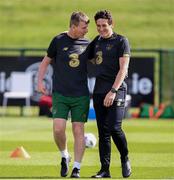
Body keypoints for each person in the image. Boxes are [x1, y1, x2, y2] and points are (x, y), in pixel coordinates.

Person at [37, 12, 90, 178]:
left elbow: (101, 62)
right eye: (83, 27)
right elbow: (45, 62)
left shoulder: (88, 43)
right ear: (73, 26)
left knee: (78, 130)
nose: (86, 30)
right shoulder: (58, 40)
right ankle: (65, 155)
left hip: (81, 94)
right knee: (58, 129)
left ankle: (77, 168)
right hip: (60, 94)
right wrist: (39, 81)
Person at [88, 10, 131, 178]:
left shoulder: (121, 41)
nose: (101, 29)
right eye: (98, 26)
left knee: (114, 128)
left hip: (117, 90)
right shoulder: (96, 42)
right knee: (103, 132)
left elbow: (123, 69)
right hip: (99, 91)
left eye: (104, 25)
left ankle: (125, 157)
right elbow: (85, 56)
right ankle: (105, 170)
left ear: (111, 24)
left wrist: (113, 91)